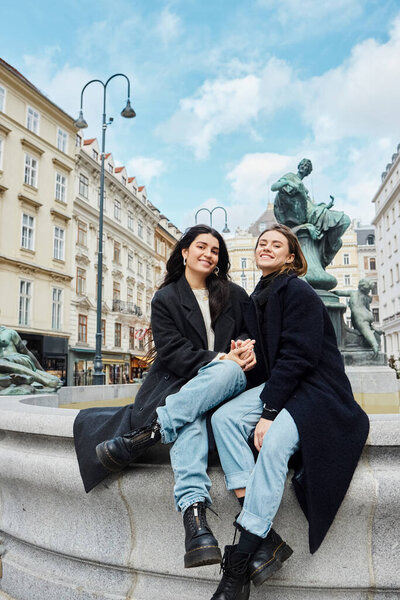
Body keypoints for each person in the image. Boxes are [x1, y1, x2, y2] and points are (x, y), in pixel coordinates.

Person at [73, 224, 256, 569]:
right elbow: (173, 353)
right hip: (175, 383)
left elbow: (247, 336)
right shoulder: (167, 297)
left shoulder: (234, 295)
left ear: (219, 260)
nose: (208, 254)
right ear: (184, 252)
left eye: (215, 250)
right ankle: (196, 524)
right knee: (194, 415)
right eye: (200, 247)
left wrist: (244, 350)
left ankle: (148, 434)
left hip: (225, 385)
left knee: (229, 374)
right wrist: (221, 359)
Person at [209, 224, 370, 600]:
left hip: (316, 389)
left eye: (275, 244)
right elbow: (266, 363)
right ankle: (264, 534)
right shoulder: (259, 296)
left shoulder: (299, 291)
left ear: (291, 257)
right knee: (224, 419)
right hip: (284, 384)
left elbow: (299, 357)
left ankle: (240, 563)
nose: (266, 247)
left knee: (275, 441)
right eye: (261, 243)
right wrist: (245, 355)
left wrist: (268, 413)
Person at [272, 158, 350, 268]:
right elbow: (274, 187)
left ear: (308, 172)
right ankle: (322, 254)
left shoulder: (304, 189)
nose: (304, 168)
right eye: (303, 165)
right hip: (297, 215)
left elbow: (309, 204)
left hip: (311, 212)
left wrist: (326, 206)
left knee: (344, 221)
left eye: (307, 167)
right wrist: (287, 182)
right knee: (343, 220)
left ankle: (323, 253)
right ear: (298, 166)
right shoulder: (290, 176)